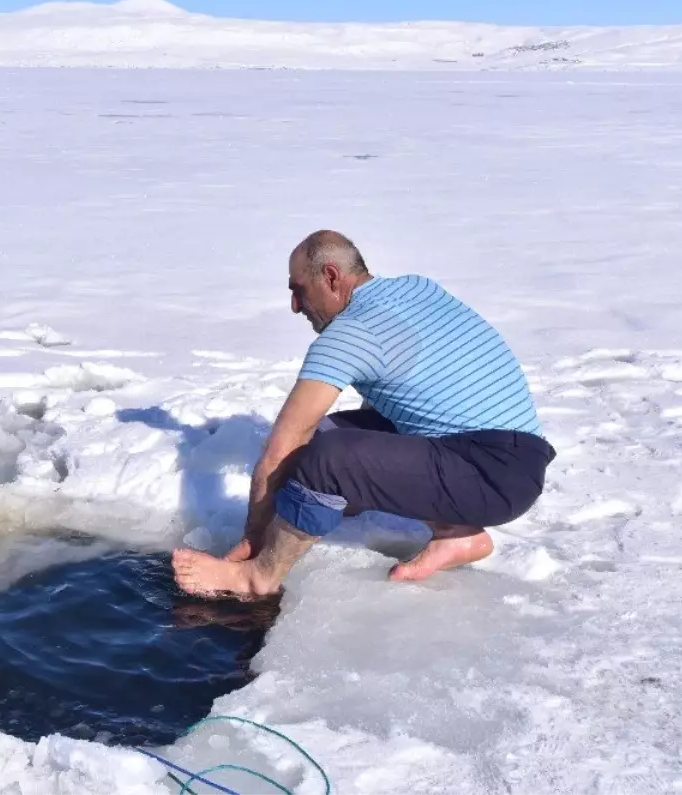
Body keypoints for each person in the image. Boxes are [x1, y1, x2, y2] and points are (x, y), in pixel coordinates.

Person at [172, 230, 555, 598]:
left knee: (326, 458)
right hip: (506, 458)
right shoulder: (415, 287)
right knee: (323, 435)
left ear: (331, 277)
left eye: (298, 289)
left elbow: (282, 446)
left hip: (492, 475)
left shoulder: (349, 334)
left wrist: (253, 540)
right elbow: (407, 383)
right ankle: (458, 533)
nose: (295, 306)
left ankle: (259, 578)